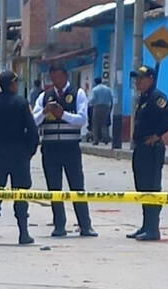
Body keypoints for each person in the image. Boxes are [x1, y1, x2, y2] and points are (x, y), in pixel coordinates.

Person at [32, 63, 97, 237]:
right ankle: (59, 224)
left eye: (58, 76)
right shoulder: (44, 96)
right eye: (52, 77)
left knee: (77, 186)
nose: (55, 80)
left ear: (65, 76)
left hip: (70, 147)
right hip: (50, 147)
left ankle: (85, 225)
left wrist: (63, 115)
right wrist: (45, 112)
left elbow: (82, 119)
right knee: (54, 187)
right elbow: (33, 121)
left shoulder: (78, 94)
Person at [0, 70, 39, 245]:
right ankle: (23, 233)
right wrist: (29, 152)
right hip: (19, 154)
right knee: (21, 194)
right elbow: (33, 131)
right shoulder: (21, 103)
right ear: (12, 84)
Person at [127, 65, 168, 242]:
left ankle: (153, 228)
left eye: (141, 78)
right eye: (136, 78)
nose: (137, 82)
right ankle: (146, 225)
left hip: (152, 149)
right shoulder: (144, 97)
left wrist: (157, 135)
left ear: (151, 79)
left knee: (152, 188)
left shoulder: (157, 97)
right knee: (142, 187)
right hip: (141, 148)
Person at [88, 77, 113, 145]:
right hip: (106, 107)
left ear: (95, 82)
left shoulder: (95, 90)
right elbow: (111, 99)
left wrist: (89, 104)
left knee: (95, 124)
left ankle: (96, 140)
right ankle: (106, 138)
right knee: (104, 123)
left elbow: (93, 99)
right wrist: (110, 108)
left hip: (97, 107)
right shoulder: (108, 89)